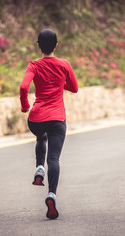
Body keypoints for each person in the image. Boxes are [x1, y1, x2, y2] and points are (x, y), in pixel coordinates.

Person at [19, 29, 78, 219]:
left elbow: (23, 87)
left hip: (36, 118)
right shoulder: (64, 64)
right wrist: (60, 83)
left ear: (38, 46)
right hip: (57, 119)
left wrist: (24, 105)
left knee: (40, 136)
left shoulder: (34, 65)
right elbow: (74, 88)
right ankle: (51, 194)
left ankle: (38, 168)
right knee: (54, 159)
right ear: (56, 45)